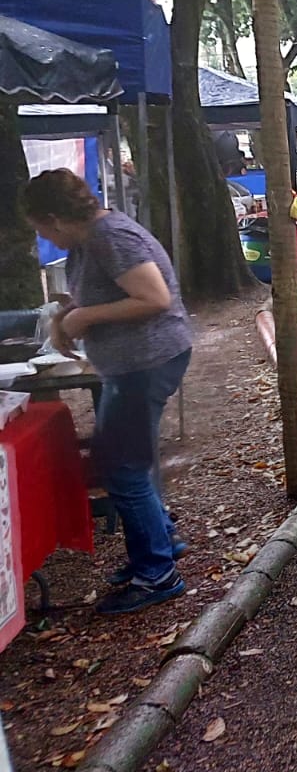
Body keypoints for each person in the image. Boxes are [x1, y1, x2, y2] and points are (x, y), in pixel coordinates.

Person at [22, 170, 191, 614]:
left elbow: (154, 297)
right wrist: (72, 308)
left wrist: (85, 318)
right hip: (134, 363)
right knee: (128, 458)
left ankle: (156, 573)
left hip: (147, 361)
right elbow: (115, 290)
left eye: (40, 228)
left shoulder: (108, 235)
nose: (42, 237)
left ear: (55, 219)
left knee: (121, 466)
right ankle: (160, 542)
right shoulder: (91, 239)